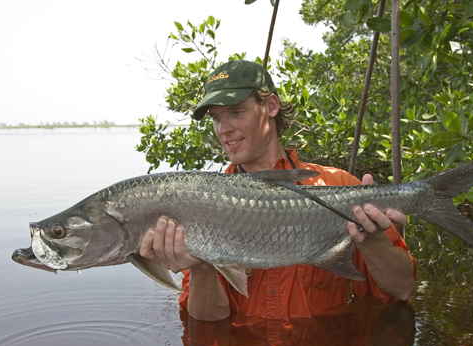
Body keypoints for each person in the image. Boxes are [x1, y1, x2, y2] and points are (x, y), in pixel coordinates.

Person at [139, 60, 416, 321]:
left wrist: (373, 241)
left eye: (236, 112)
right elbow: (208, 323)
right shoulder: (202, 203)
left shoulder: (339, 184)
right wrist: (200, 268)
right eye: (216, 119)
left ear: (271, 106)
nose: (223, 129)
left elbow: (402, 290)